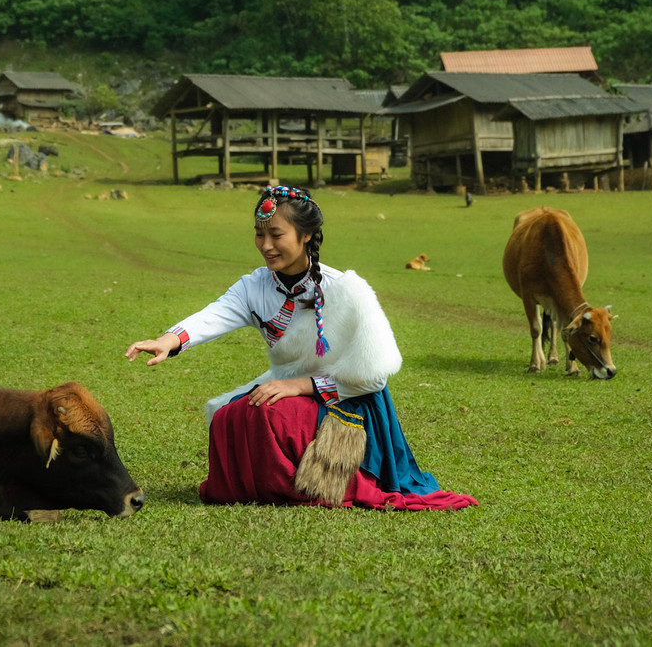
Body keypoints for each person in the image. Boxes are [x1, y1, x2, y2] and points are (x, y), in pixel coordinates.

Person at [125, 185, 476, 511]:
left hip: (346, 399)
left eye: (276, 235)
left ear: (305, 235)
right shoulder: (255, 286)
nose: (266, 245)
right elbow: (214, 315)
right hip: (288, 386)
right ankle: (257, 489)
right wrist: (168, 340)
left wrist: (299, 386)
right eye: (259, 235)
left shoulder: (346, 289)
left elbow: (375, 373)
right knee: (229, 416)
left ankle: (303, 488)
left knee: (268, 414)